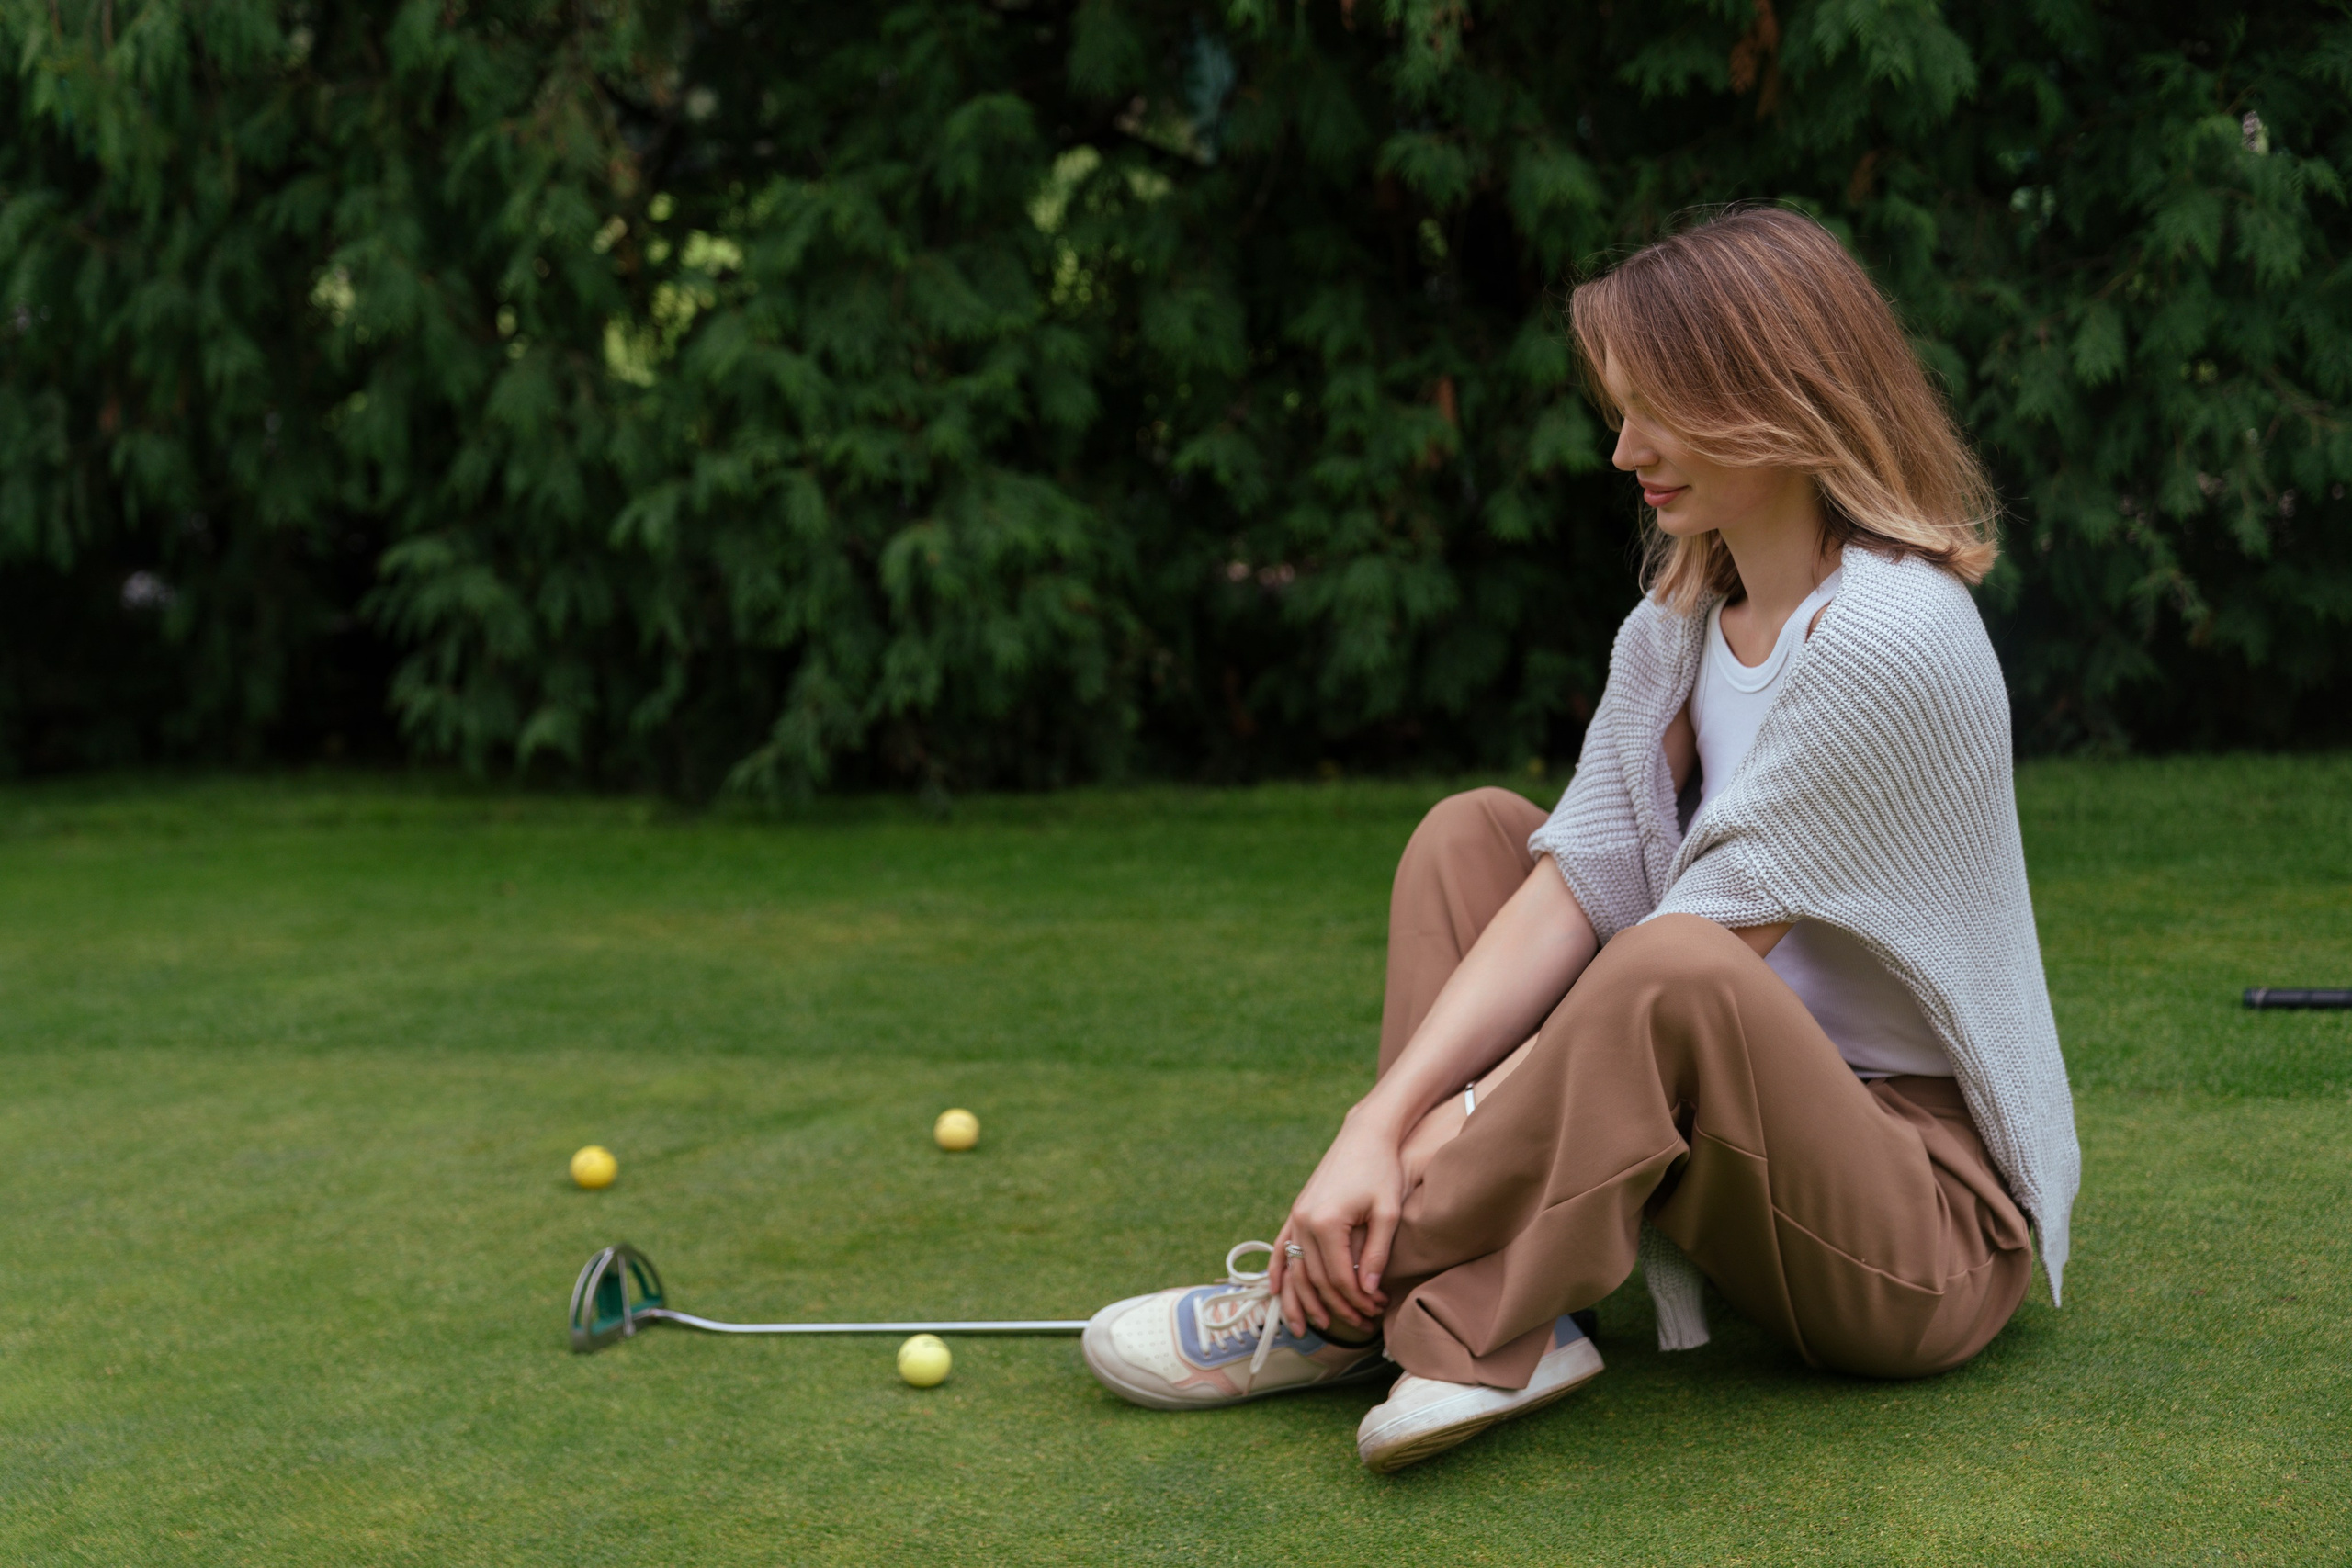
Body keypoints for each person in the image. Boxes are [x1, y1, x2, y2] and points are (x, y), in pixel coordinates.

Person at [1080, 207, 2080, 1472]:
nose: (1624, 451)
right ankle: (1476, 1300)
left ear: (1773, 400)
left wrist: (1428, 1149)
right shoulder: (1676, 622)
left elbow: (1695, 950)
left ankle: (1358, 1298)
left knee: (1675, 962)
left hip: (1914, 1230)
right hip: (1743, 1150)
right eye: (1621, 410)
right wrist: (1374, 1125)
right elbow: (1581, 882)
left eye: (1658, 411)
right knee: (1474, 837)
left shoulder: (1895, 638)